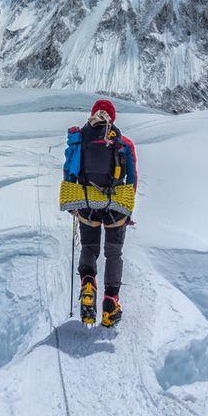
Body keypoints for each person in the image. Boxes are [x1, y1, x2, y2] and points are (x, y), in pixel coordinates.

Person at [62, 99, 137, 327]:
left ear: (94, 114)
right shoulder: (123, 142)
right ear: (112, 118)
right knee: (113, 253)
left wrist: (74, 204)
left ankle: (87, 285)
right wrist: (128, 209)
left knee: (89, 248)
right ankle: (110, 304)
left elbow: (69, 171)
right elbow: (132, 178)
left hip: (86, 203)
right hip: (115, 206)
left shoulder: (81, 139)